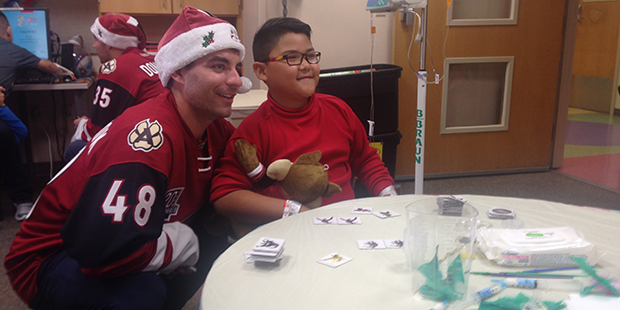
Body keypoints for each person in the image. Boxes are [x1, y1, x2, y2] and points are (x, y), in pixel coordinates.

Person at [5, 6, 244, 310]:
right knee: (142, 294)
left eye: (237, 68)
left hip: (115, 237)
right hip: (53, 255)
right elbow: (102, 251)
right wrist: (177, 247)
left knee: (216, 240)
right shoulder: (147, 139)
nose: (236, 80)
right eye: (220, 66)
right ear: (180, 71)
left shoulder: (217, 129)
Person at [210, 17, 396, 236]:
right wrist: (293, 210)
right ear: (261, 71)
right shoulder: (254, 130)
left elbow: (365, 159)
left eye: (310, 55)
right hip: (293, 234)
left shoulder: (338, 109)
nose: (307, 65)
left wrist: (387, 192)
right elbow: (225, 195)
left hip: (347, 227)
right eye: (292, 58)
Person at [64, 13, 166, 162]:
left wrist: (82, 125)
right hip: (163, 136)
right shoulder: (152, 59)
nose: (94, 45)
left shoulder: (114, 68)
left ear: (110, 42)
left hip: (145, 148)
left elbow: (97, 130)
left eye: (96, 39)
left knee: (74, 149)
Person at [0, 11, 72, 221]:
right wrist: (66, 72)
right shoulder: (12, 49)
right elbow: (49, 66)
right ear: (9, 31)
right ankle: (22, 199)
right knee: (9, 135)